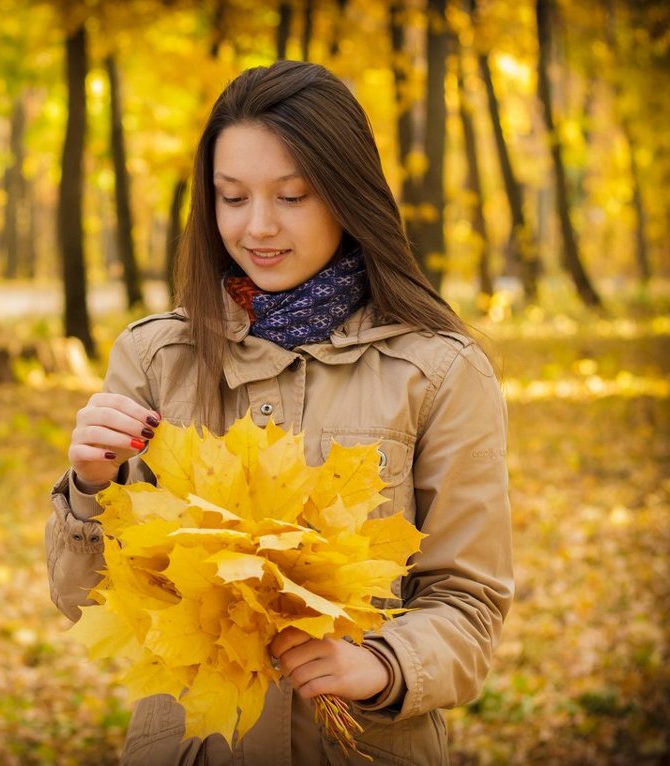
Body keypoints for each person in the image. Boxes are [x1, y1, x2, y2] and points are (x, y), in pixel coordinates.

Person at [45, 60, 513, 765]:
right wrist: (89, 488)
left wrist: (384, 666)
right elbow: (88, 603)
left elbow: (470, 599)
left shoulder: (437, 370)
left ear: (347, 195)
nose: (257, 226)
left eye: (292, 196)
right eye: (232, 198)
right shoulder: (154, 357)